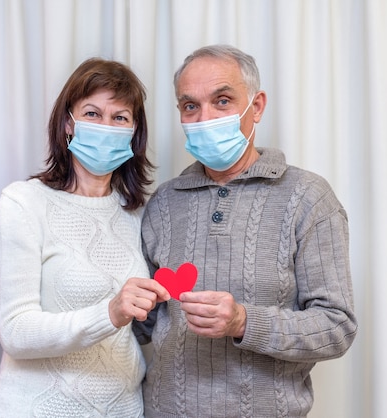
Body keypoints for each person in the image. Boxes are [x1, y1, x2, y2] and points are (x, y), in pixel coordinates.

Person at [134, 45, 358, 417]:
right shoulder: (163, 202)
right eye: (190, 106)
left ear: (256, 106)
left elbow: (337, 327)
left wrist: (243, 321)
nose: (205, 118)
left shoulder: (308, 198)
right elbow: (148, 328)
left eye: (222, 101)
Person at [0, 57, 170, 417]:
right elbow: (16, 332)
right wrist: (110, 312)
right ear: (68, 123)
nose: (107, 126)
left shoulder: (139, 213)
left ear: (134, 132)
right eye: (93, 113)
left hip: (124, 408)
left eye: (120, 117)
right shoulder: (24, 203)